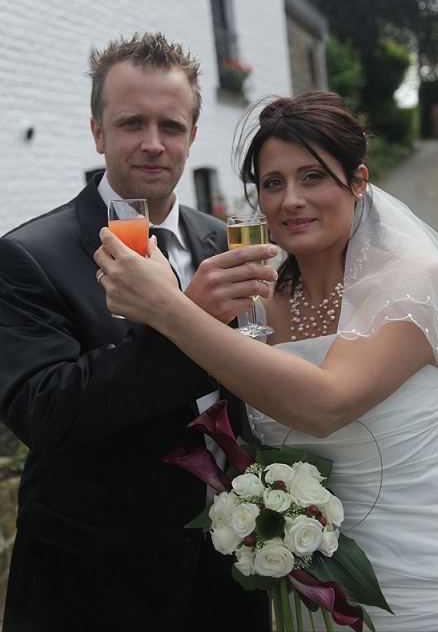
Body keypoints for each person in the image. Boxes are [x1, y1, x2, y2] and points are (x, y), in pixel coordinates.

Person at [94, 91, 438, 631]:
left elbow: (326, 404)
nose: (290, 200)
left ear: (359, 181)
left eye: (313, 177)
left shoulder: (413, 281)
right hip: (298, 589)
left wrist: (167, 308)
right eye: (273, 183)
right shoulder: (261, 302)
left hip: (412, 581)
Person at [0, 32, 277, 632]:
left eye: (171, 126)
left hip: (232, 574)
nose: (153, 144)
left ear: (193, 137)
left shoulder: (222, 239)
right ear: (98, 132)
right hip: (95, 585)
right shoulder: (27, 256)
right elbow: (45, 412)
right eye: (131, 123)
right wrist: (191, 322)